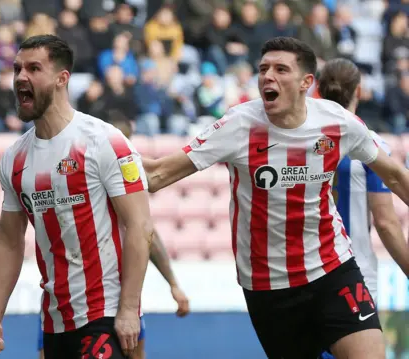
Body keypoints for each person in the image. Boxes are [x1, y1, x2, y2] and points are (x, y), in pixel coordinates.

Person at [142, 36, 409, 359]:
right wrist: (105, 157)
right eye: (263, 68)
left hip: (331, 268)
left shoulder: (338, 123)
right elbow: (157, 175)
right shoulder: (238, 124)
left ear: (306, 83)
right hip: (268, 287)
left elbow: (394, 175)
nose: (268, 76)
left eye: (281, 69)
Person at [0, 34, 154, 359]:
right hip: (55, 320)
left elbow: (140, 226)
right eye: (17, 69)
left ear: (62, 79)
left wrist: (129, 308)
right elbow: (8, 241)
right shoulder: (15, 159)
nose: (21, 78)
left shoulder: (104, 141)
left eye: (33, 68)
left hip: (106, 310)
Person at [35, 112, 190, 359]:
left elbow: (146, 233)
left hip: (110, 296)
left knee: (134, 351)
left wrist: (173, 284)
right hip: (64, 295)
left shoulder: (125, 169)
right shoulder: (83, 164)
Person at [317, 58, 409, 359]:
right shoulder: (372, 145)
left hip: (303, 271)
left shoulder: (300, 142)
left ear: (317, 89)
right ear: (360, 90)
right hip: (354, 272)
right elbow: (385, 222)